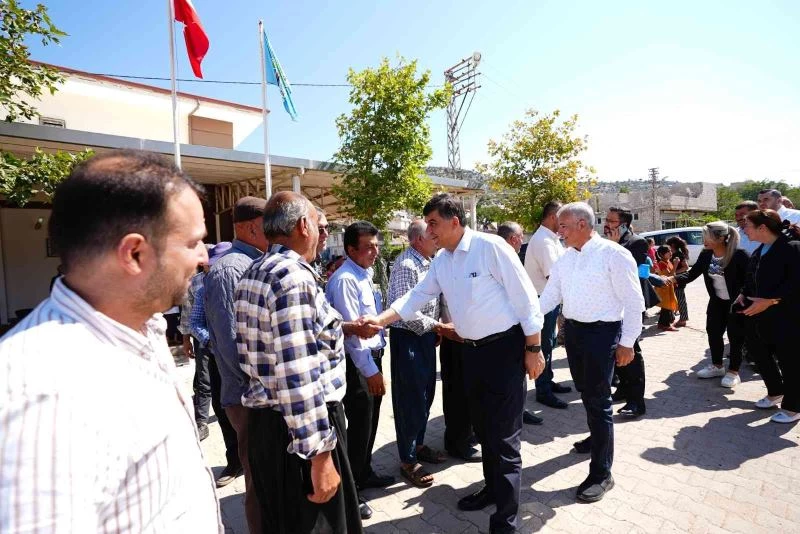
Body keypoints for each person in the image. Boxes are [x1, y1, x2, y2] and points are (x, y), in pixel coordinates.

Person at [0, 150, 221, 532]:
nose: (204, 258)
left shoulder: (142, 326)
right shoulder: (43, 394)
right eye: (193, 243)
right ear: (134, 254)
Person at [364, 193, 545, 534]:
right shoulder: (442, 261)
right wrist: (380, 321)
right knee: (485, 429)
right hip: (470, 354)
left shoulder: (490, 248)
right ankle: (492, 489)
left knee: (504, 438)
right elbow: (416, 296)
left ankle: (505, 521)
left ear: (455, 221)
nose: (428, 230)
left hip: (504, 351)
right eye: (427, 224)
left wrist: (533, 347)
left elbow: (525, 299)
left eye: (433, 223)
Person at [235, 192, 362, 534]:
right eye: (320, 226)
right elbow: (298, 375)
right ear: (304, 225)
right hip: (299, 435)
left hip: (271, 428)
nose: (323, 234)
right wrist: (320, 457)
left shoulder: (255, 271)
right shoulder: (291, 277)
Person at [539, 202, 645, 502]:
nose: (559, 232)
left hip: (603, 334)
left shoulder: (614, 255)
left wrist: (627, 342)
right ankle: (597, 438)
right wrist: (522, 322)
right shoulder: (565, 258)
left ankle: (602, 473)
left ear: (582, 225)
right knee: (586, 393)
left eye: (563, 226)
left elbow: (634, 302)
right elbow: (549, 297)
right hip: (574, 334)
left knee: (599, 401)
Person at [204, 196, 268, 530]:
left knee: (269, 477)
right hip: (248, 397)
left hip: (260, 394)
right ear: (253, 227)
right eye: (270, 225)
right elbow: (231, 345)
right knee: (259, 481)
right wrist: (262, 387)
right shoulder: (231, 269)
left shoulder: (254, 263)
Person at [326, 221, 395, 519]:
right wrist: (369, 370)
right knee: (358, 426)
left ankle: (364, 473)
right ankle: (352, 490)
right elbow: (354, 334)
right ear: (351, 249)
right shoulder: (345, 280)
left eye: (376, 245)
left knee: (370, 421)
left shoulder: (363, 275)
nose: (375, 252)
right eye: (368, 247)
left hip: (371, 358)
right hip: (358, 365)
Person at [387, 219, 445, 488]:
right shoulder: (407, 265)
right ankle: (408, 460)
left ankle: (418, 445)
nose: (436, 239)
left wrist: (434, 328)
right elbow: (404, 310)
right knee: (410, 399)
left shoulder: (428, 262)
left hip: (425, 337)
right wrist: (437, 326)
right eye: (431, 235)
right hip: (409, 338)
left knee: (425, 395)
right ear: (418, 239)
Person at [737, 209, 800, 423]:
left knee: (789, 361)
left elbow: (796, 283)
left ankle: (793, 408)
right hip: (759, 315)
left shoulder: (791, 248)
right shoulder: (761, 249)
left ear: (762, 227)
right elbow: (752, 276)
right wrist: (743, 293)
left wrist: (771, 300)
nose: (744, 229)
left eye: (747, 225)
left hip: (787, 315)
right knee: (758, 353)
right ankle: (775, 392)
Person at [669, 223, 748, 387]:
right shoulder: (706, 255)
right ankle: (717, 366)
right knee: (713, 333)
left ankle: (733, 372)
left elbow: (750, 281)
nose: (703, 240)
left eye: (707, 237)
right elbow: (692, 274)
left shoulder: (739, 255)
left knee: (735, 337)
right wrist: (673, 279)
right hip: (717, 301)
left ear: (721, 238)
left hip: (736, 303)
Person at [524, 203, 573, 411]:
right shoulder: (544, 241)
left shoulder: (551, 239)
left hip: (549, 300)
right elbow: (553, 276)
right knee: (543, 346)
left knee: (549, 343)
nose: (564, 224)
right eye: (562, 219)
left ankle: (548, 380)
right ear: (553, 217)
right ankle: (543, 390)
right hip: (543, 301)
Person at [603, 207, 649, 418]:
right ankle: (623, 389)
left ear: (623, 224)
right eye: (606, 219)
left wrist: (613, 246)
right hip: (612, 309)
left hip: (629, 309)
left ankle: (637, 401)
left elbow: (628, 270)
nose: (606, 224)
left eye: (611, 221)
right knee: (616, 352)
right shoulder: (605, 243)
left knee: (631, 352)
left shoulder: (637, 242)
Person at [499, 221, 546, 425]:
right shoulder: (508, 260)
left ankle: (517, 411)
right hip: (511, 330)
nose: (522, 241)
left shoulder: (499, 257)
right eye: (520, 237)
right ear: (513, 239)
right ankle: (516, 414)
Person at [187, 242, 233, 441]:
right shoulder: (201, 288)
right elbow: (192, 320)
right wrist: (211, 341)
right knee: (206, 384)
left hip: (238, 357)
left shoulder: (242, 284)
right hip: (210, 349)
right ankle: (202, 422)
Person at [665, 236, 690, 327]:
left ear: (672, 245)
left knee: (680, 299)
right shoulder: (672, 254)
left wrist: (675, 273)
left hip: (679, 280)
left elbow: (686, 267)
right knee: (676, 298)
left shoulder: (678, 255)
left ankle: (683, 319)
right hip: (674, 280)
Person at [653, 246, 679, 331]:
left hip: (669, 287)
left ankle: (664, 323)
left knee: (667, 306)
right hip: (664, 288)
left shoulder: (668, 261)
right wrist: (675, 265)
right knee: (666, 306)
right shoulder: (662, 263)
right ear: (662, 254)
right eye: (668, 251)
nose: (671, 253)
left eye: (670, 251)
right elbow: (669, 276)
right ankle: (664, 325)